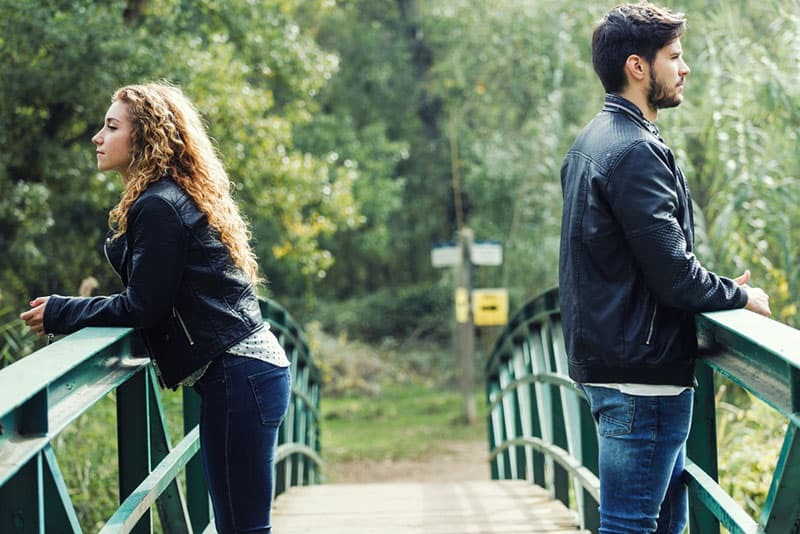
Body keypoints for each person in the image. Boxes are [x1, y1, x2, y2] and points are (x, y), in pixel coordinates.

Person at [20, 82, 291, 533]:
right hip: (246, 375)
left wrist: (62, 312)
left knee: (243, 528)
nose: (96, 137)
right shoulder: (165, 197)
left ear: (144, 138)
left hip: (239, 376)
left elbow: (143, 306)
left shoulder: (158, 205)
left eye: (111, 126)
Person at [558, 3, 771, 533]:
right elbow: (674, 274)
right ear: (637, 67)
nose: (685, 67)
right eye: (673, 56)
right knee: (630, 526)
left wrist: (717, 288)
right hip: (642, 381)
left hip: (617, 366)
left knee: (658, 524)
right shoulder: (633, 152)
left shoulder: (591, 141)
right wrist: (739, 296)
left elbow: (638, 260)